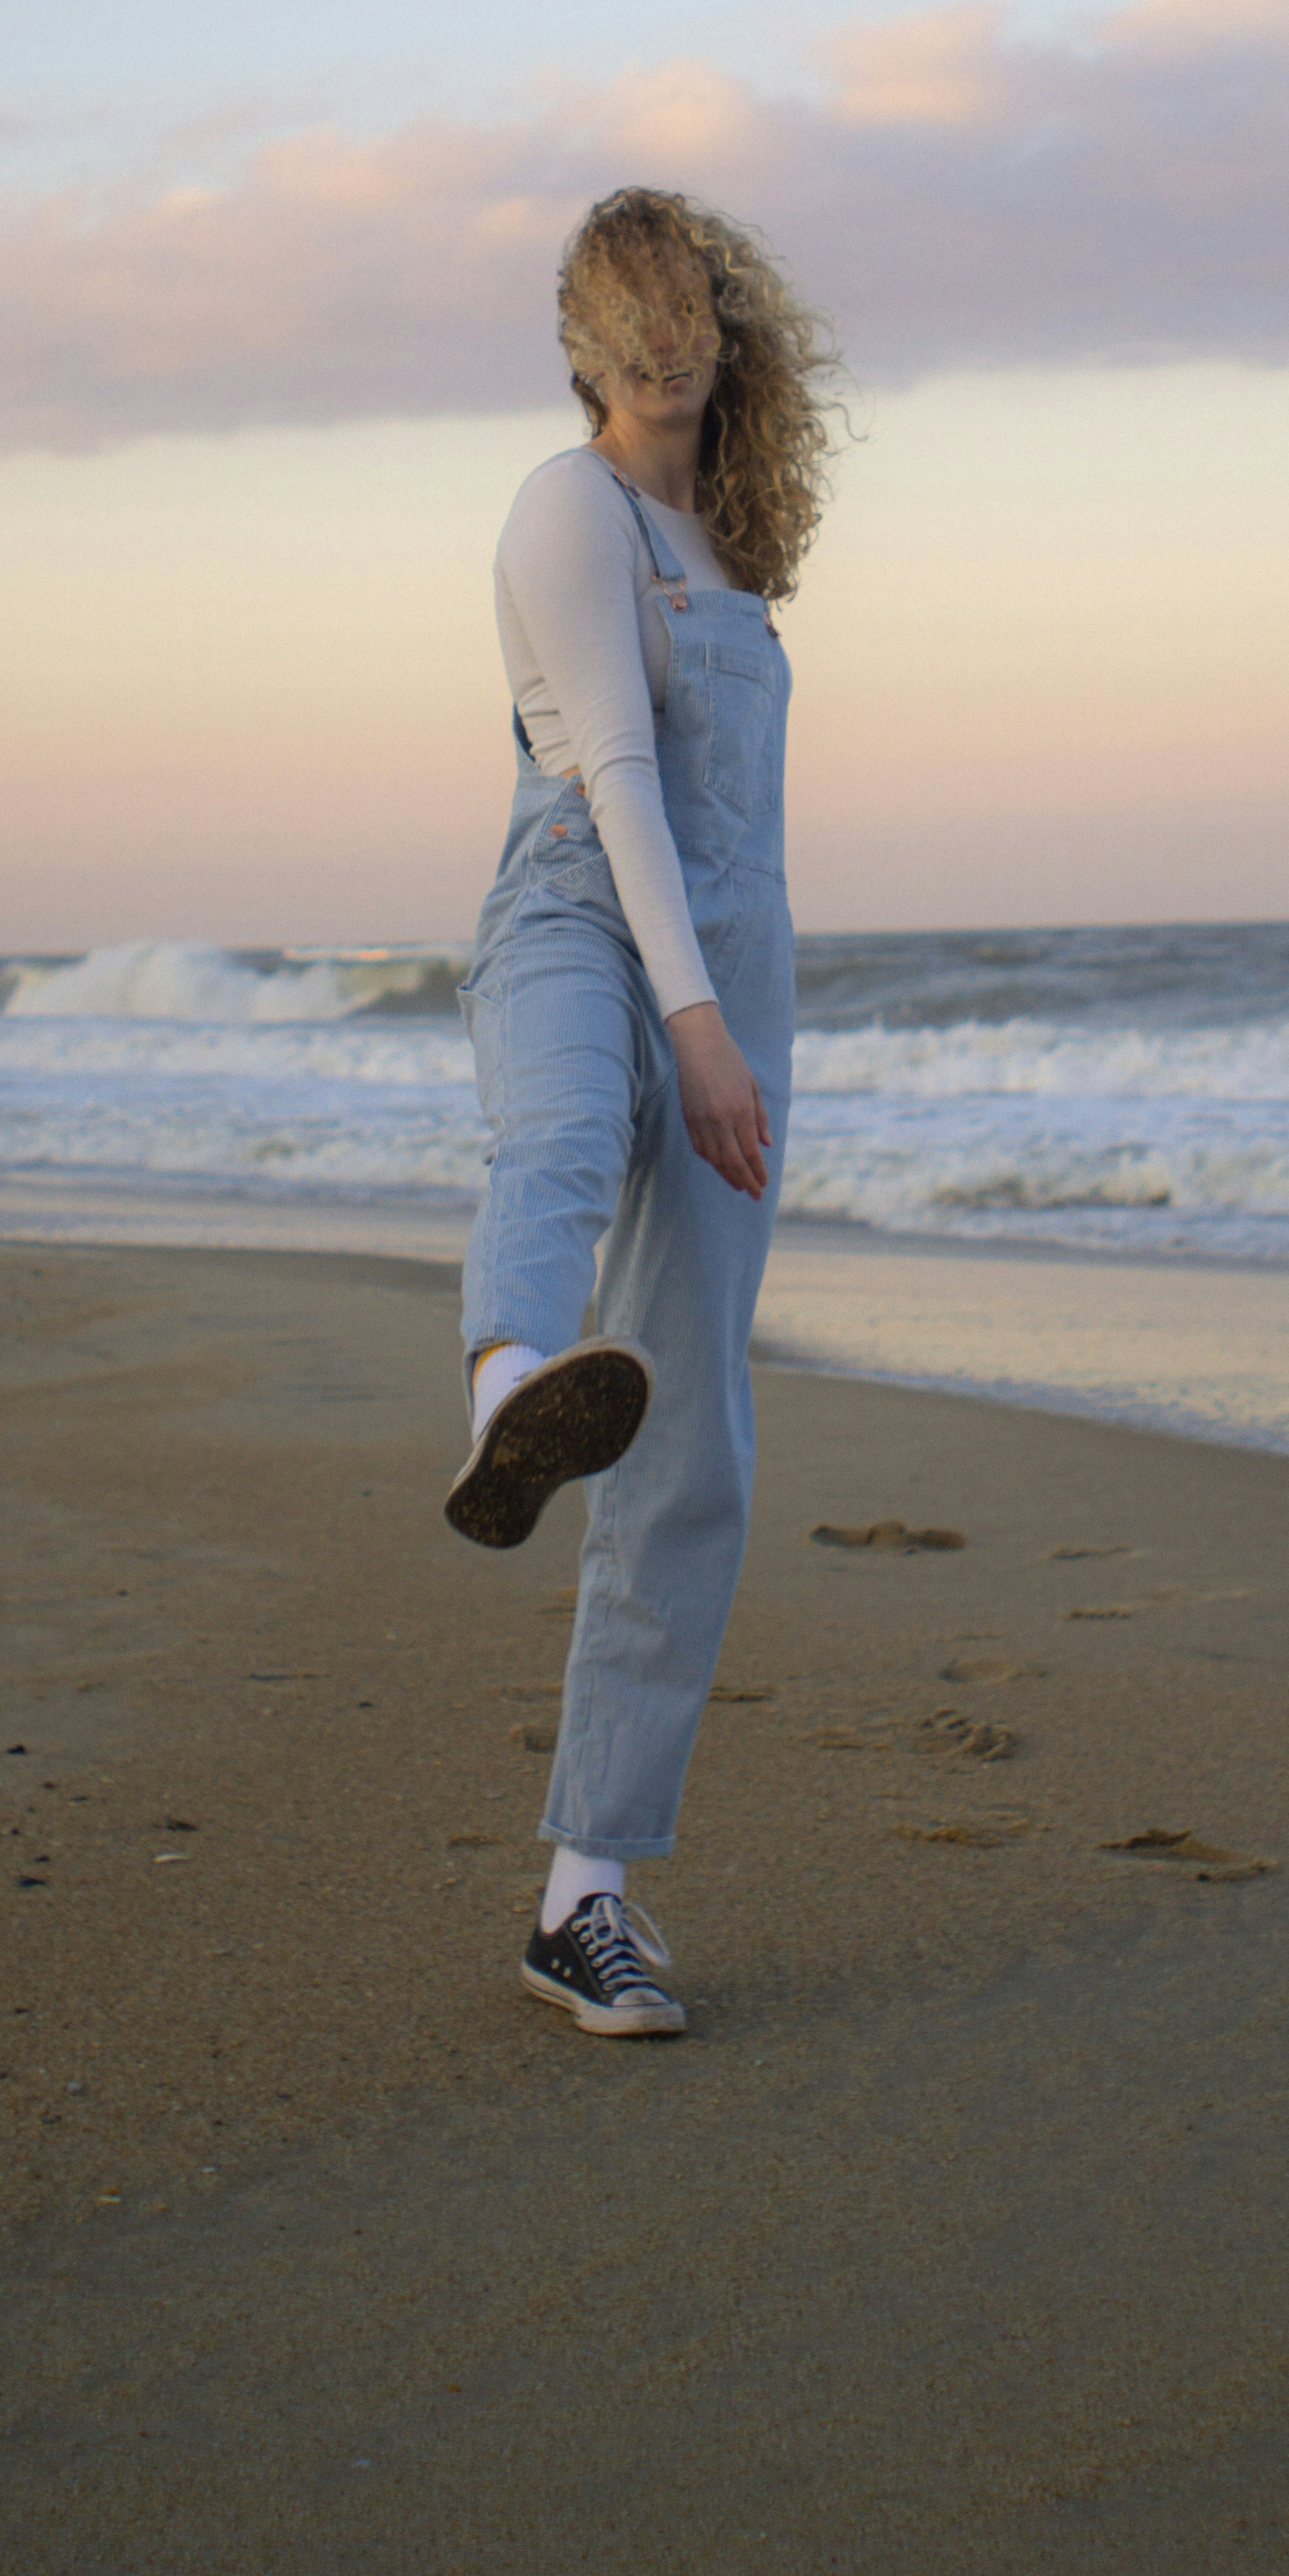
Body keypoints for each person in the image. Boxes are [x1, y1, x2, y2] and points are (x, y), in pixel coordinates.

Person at [446, 185, 841, 2038]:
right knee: (551, 1142)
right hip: (583, 922)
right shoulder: (566, 506)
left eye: (691, 324)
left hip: (731, 975)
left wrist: (736, 1020)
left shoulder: (737, 539)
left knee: (695, 1445)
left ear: (723, 321)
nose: (667, 364)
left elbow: (741, 833)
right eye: (635, 338)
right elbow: (608, 769)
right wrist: (688, 1025)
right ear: (591, 346)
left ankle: (581, 1899)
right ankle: (509, 1388)